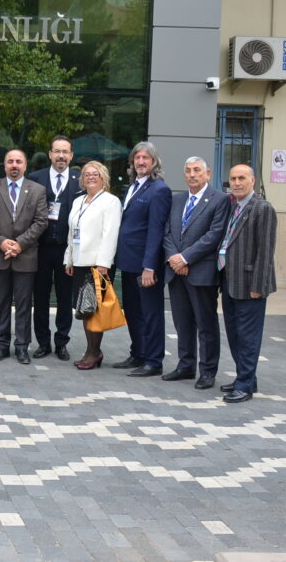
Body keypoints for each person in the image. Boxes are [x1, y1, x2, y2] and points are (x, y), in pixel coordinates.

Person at [161, 157, 230, 390]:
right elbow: (167, 232)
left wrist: (185, 258)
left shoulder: (220, 199)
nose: (192, 174)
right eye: (188, 170)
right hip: (176, 272)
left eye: (197, 170)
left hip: (201, 272)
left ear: (207, 174)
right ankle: (186, 366)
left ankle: (208, 371)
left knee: (206, 324)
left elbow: (214, 234)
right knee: (182, 322)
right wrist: (174, 258)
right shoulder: (177, 199)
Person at [0, 149, 48, 364]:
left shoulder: (37, 190)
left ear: (25, 166)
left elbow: (41, 221)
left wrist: (20, 244)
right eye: (10, 161)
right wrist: (1, 242)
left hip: (25, 255)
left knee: (24, 305)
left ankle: (21, 346)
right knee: (1, 303)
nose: (14, 165)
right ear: (5, 165)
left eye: (19, 161)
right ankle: (1, 345)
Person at [218, 165, 277, 403]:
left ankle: (244, 387)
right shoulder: (233, 206)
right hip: (230, 281)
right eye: (233, 178)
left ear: (253, 180)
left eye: (241, 178)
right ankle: (246, 378)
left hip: (250, 285)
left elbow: (266, 251)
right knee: (234, 335)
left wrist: (258, 286)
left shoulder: (263, 208)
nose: (236, 182)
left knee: (248, 337)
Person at [113, 141, 172, 377]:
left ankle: (153, 361)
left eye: (145, 158)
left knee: (150, 313)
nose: (140, 162)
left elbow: (156, 231)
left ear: (154, 162)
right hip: (128, 262)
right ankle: (138, 352)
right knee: (133, 311)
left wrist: (149, 266)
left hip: (146, 266)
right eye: (137, 158)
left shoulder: (159, 190)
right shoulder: (133, 187)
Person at [28, 135, 82, 361]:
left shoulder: (79, 180)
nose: (61, 156)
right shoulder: (35, 178)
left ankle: (61, 342)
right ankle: (43, 343)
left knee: (64, 298)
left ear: (71, 155)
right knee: (40, 298)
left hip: (66, 250)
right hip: (39, 248)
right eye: (57, 151)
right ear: (50, 154)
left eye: (65, 152)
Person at [63, 161, 121, 370]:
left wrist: (104, 263)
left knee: (95, 312)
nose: (91, 177)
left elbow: (110, 234)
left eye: (95, 174)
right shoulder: (78, 201)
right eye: (87, 174)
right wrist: (69, 259)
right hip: (79, 262)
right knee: (85, 309)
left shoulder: (111, 202)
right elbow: (72, 233)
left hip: (98, 265)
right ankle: (90, 351)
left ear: (103, 178)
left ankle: (94, 352)